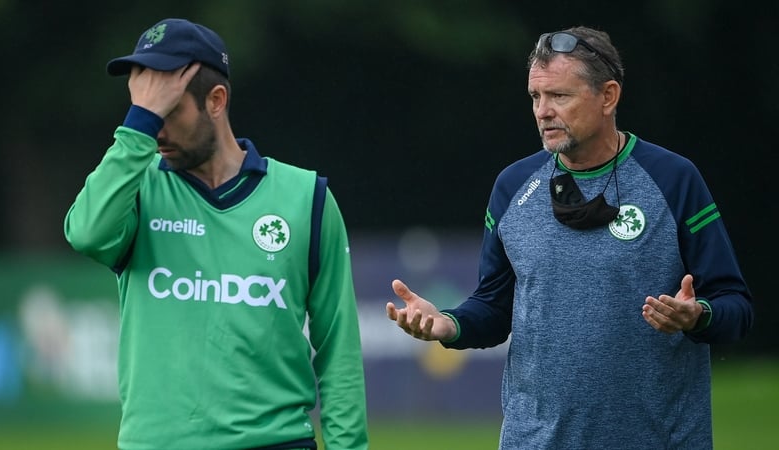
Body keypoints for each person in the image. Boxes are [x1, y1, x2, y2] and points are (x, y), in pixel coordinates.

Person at [386, 26, 753, 450]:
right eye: (536, 97)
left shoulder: (674, 180)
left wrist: (699, 315)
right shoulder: (512, 186)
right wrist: (448, 324)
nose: (543, 111)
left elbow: (735, 306)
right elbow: (493, 307)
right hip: (534, 441)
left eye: (559, 96)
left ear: (608, 96)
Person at [64, 18, 368, 450]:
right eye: (145, 113)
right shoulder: (136, 188)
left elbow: (338, 350)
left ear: (216, 100)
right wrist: (138, 125)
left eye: (167, 111)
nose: (157, 131)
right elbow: (86, 234)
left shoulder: (306, 197)